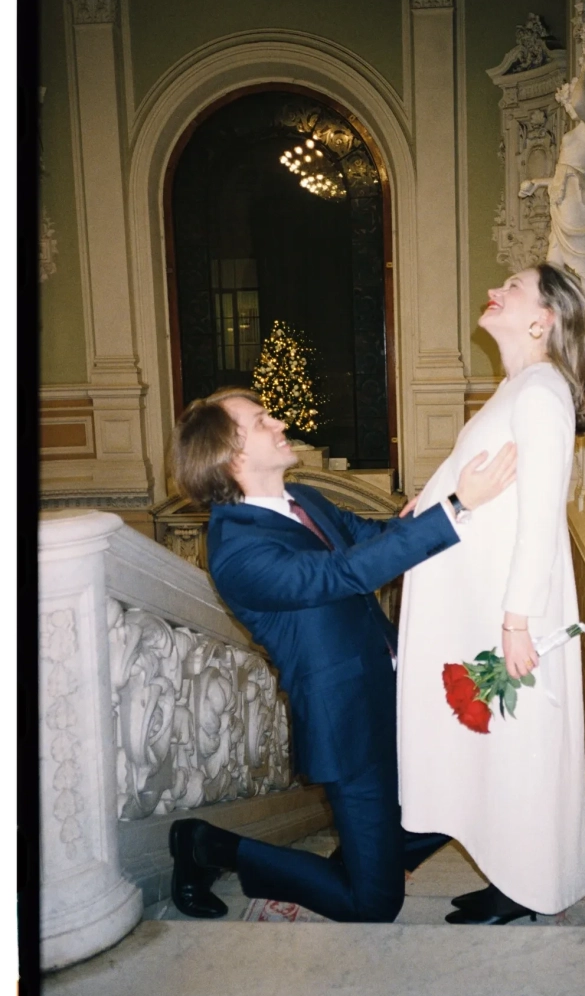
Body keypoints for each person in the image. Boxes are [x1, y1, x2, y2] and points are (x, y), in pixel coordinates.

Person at [166, 387, 516, 922]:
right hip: (347, 719)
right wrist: (455, 507)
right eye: (261, 421)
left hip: (395, 687)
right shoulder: (236, 550)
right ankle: (207, 846)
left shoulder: (304, 499)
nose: (279, 423)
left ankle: (370, 857)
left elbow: (371, 537)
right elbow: (344, 573)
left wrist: (431, 508)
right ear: (231, 456)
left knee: (466, 782)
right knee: (373, 905)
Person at [397, 262, 585, 924]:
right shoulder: (516, 388)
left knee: (521, 747)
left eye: (513, 288)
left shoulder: (542, 392)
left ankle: (527, 888)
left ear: (543, 320)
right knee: (497, 746)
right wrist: (428, 500)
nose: (495, 291)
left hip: (511, 613)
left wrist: (517, 622)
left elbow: (543, 517)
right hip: (486, 604)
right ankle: (510, 876)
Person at [519, 18, 585, 318]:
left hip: (576, 198)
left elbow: (581, 99)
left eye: (568, 99)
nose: (568, 105)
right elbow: (562, 172)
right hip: (563, 196)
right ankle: (556, 323)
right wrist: (536, 182)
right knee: (552, 264)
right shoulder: (581, 130)